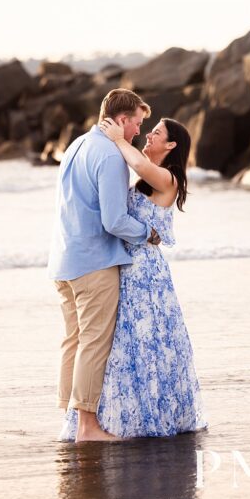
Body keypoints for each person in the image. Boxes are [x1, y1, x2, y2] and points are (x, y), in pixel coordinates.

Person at [58, 114, 207, 441]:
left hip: (145, 272)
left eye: (156, 133)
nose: (149, 136)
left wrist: (117, 138)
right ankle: (114, 419)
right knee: (122, 346)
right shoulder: (140, 179)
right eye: (149, 131)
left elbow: (140, 165)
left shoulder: (169, 178)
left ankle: (143, 417)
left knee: (146, 342)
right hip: (122, 266)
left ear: (171, 145)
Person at [48, 88, 162, 443]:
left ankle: (70, 423)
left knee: (74, 341)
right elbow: (114, 220)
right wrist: (148, 232)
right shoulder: (111, 156)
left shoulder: (77, 145)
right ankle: (87, 427)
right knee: (94, 343)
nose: (139, 133)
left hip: (63, 261)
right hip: (94, 263)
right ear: (122, 119)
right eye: (138, 124)